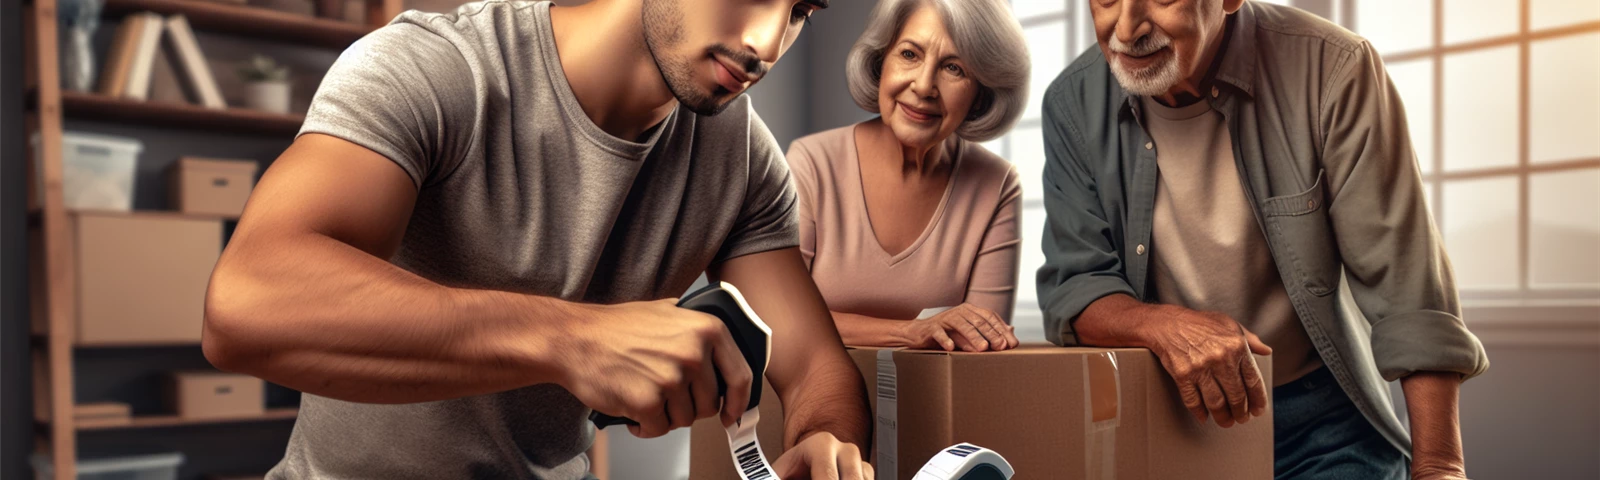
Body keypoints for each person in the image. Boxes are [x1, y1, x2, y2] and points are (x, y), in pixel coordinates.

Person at [201, 0, 874, 478]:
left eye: (801, 11)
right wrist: (574, 338)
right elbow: (246, 305)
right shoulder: (439, 67)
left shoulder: (745, 157)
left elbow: (816, 365)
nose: (766, 41)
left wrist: (825, 440)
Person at [1035, 0, 1488, 479]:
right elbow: (1076, 286)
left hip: (1326, 424)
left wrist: (1440, 465)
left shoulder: (1335, 66)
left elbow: (1406, 286)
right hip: (1172, 417)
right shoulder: (1070, 103)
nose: (1126, 29)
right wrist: (1165, 326)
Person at [786, 0, 1028, 353]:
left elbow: (981, 346)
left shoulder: (997, 185)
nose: (924, 86)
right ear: (881, 61)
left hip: (939, 406)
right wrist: (912, 331)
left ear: (980, 95)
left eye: (954, 68)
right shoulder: (811, 163)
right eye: (910, 55)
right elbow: (781, 318)